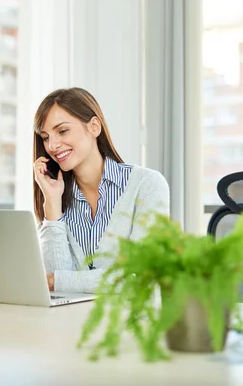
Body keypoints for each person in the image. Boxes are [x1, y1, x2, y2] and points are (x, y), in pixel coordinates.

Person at [32, 87, 170, 294]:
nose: (52, 145)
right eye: (45, 137)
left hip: (132, 323)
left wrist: (55, 281)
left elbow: (140, 277)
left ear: (94, 127)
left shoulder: (147, 185)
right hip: (70, 323)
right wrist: (52, 201)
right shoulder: (59, 197)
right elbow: (56, 289)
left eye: (62, 131)